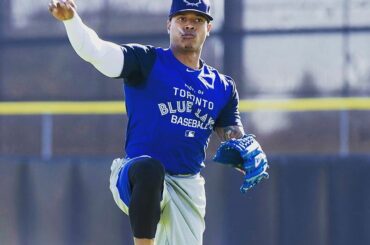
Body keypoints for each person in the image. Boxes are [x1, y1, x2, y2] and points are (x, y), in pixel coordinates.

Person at [49, 0, 266, 244]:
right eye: (182, 19)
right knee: (150, 169)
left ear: (208, 29)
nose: (189, 26)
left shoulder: (222, 87)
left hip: (187, 187)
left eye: (197, 20)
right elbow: (96, 51)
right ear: (169, 24)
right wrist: (72, 21)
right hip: (135, 175)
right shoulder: (146, 61)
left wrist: (245, 152)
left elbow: (233, 135)